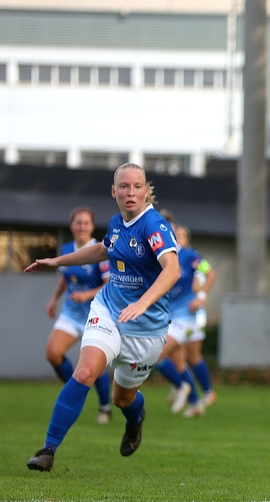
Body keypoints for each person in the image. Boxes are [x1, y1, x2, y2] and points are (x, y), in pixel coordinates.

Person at [24, 163, 180, 471]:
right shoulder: (116, 222)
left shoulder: (154, 225)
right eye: (124, 186)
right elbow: (101, 251)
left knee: (124, 398)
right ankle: (48, 449)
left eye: (137, 186)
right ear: (114, 191)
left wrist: (144, 303)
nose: (130, 192)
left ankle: (135, 418)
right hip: (108, 310)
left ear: (146, 190)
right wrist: (57, 261)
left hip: (146, 328)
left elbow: (172, 269)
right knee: (84, 372)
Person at [43, 206, 113, 425]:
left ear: (92, 227)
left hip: (96, 316)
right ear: (72, 225)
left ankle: (105, 407)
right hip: (72, 314)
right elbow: (66, 276)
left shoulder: (100, 251)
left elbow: (109, 284)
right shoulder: (67, 249)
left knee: (95, 367)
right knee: (53, 353)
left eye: (86, 223)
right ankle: (75, 391)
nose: (82, 227)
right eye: (78, 222)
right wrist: (54, 298)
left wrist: (87, 294)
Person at [154, 222, 217, 418]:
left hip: (187, 318)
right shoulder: (160, 257)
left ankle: (182, 386)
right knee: (180, 362)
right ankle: (196, 402)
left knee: (157, 356)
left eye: (178, 234)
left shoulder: (190, 255)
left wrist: (202, 297)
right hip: (171, 316)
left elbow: (210, 273)